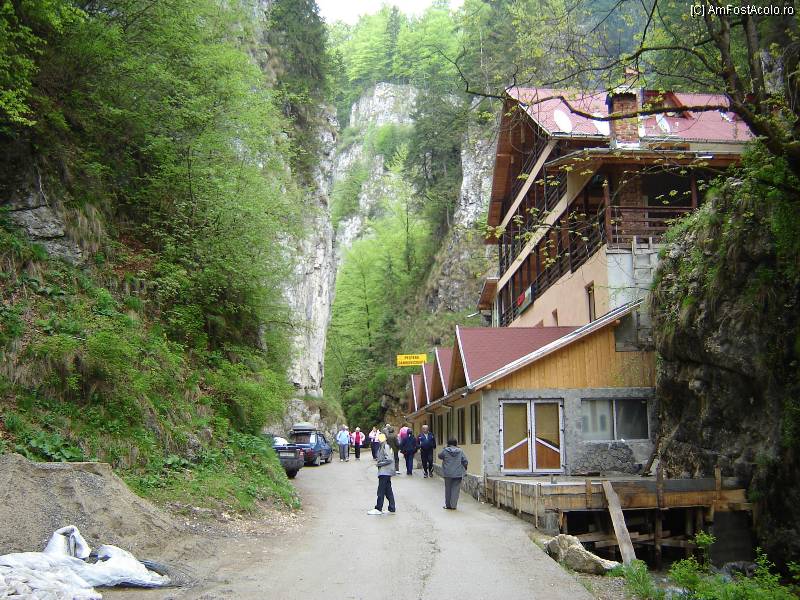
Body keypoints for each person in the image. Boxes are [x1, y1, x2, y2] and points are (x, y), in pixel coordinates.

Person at [367, 433, 396, 515]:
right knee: (388, 490)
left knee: (381, 490)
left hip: (385, 471)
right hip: (385, 471)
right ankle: (392, 508)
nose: (380, 439)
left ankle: (378, 508)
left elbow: (389, 459)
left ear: (385, 438)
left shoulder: (385, 446)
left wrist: (379, 464)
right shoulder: (382, 446)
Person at [438, 438, 468, 510]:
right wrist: (464, 467)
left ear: (448, 444)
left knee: (448, 489)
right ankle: (453, 506)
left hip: (447, 473)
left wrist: (444, 448)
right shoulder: (460, 451)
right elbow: (465, 461)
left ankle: (448, 505)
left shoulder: (445, 450)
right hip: (458, 473)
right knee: (456, 489)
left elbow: (439, 456)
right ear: (456, 444)